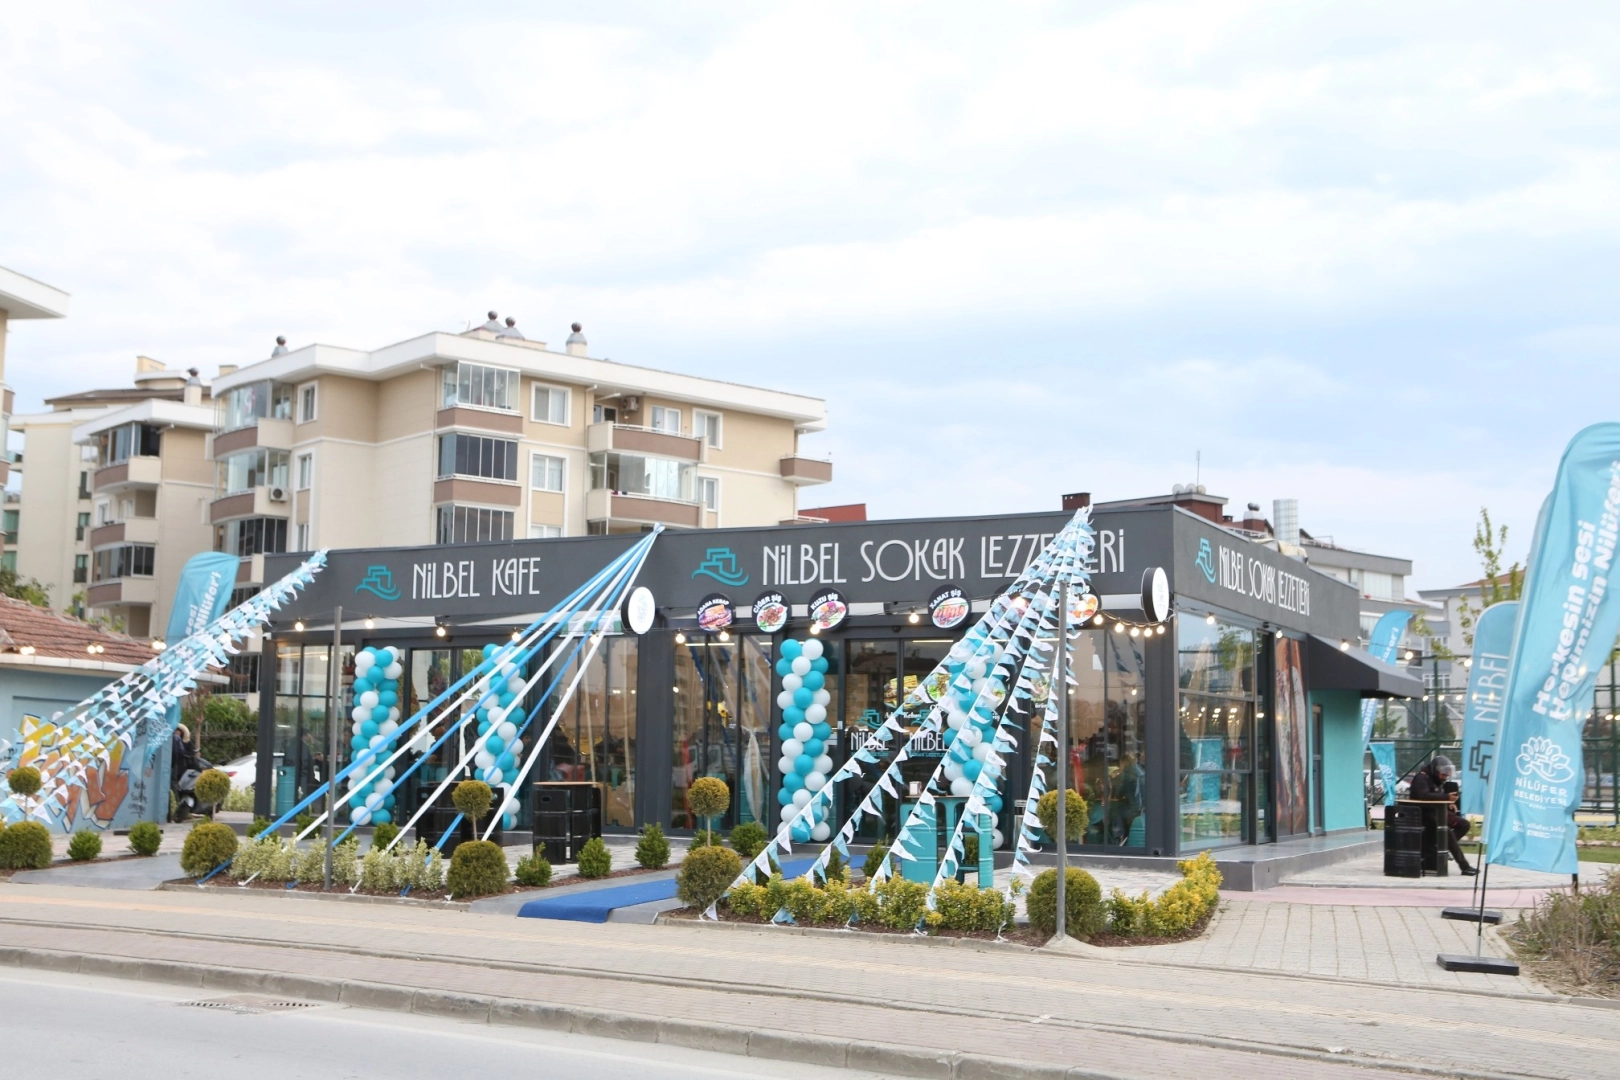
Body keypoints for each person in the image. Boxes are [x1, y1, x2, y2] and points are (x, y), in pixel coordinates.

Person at [1410, 755, 1476, 875]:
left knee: (1464, 824)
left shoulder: (1435, 780)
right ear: (1435, 770)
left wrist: (1448, 803)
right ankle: (1464, 866)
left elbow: (1436, 795)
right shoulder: (1421, 779)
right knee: (1447, 832)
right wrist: (1446, 797)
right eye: (1443, 775)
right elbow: (1424, 796)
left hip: (1438, 812)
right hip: (1424, 815)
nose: (1444, 778)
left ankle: (1442, 846)